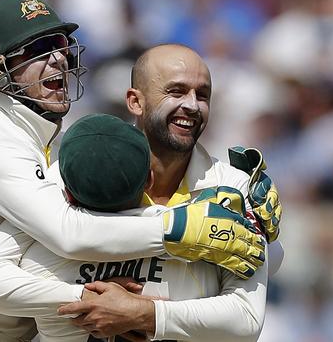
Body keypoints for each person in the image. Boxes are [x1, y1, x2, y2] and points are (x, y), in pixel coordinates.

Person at [0, 0, 266, 342]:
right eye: (36, 51)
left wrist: (262, 234)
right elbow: (67, 233)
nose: (58, 59)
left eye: (60, 44)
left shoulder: (53, 141)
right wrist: (178, 230)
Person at [55, 44, 284, 340]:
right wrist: (82, 292)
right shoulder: (85, 168)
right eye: (176, 91)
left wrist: (144, 314)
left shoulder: (233, 186)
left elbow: (247, 319)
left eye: (202, 95)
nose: (192, 105)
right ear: (135, 101)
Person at [15, 112, 269, 342]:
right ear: (149, 180)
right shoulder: (198, 245)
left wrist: (81, 294)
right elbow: (246, 320)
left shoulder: (36, 261)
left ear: (66, 193)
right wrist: (143, 314)